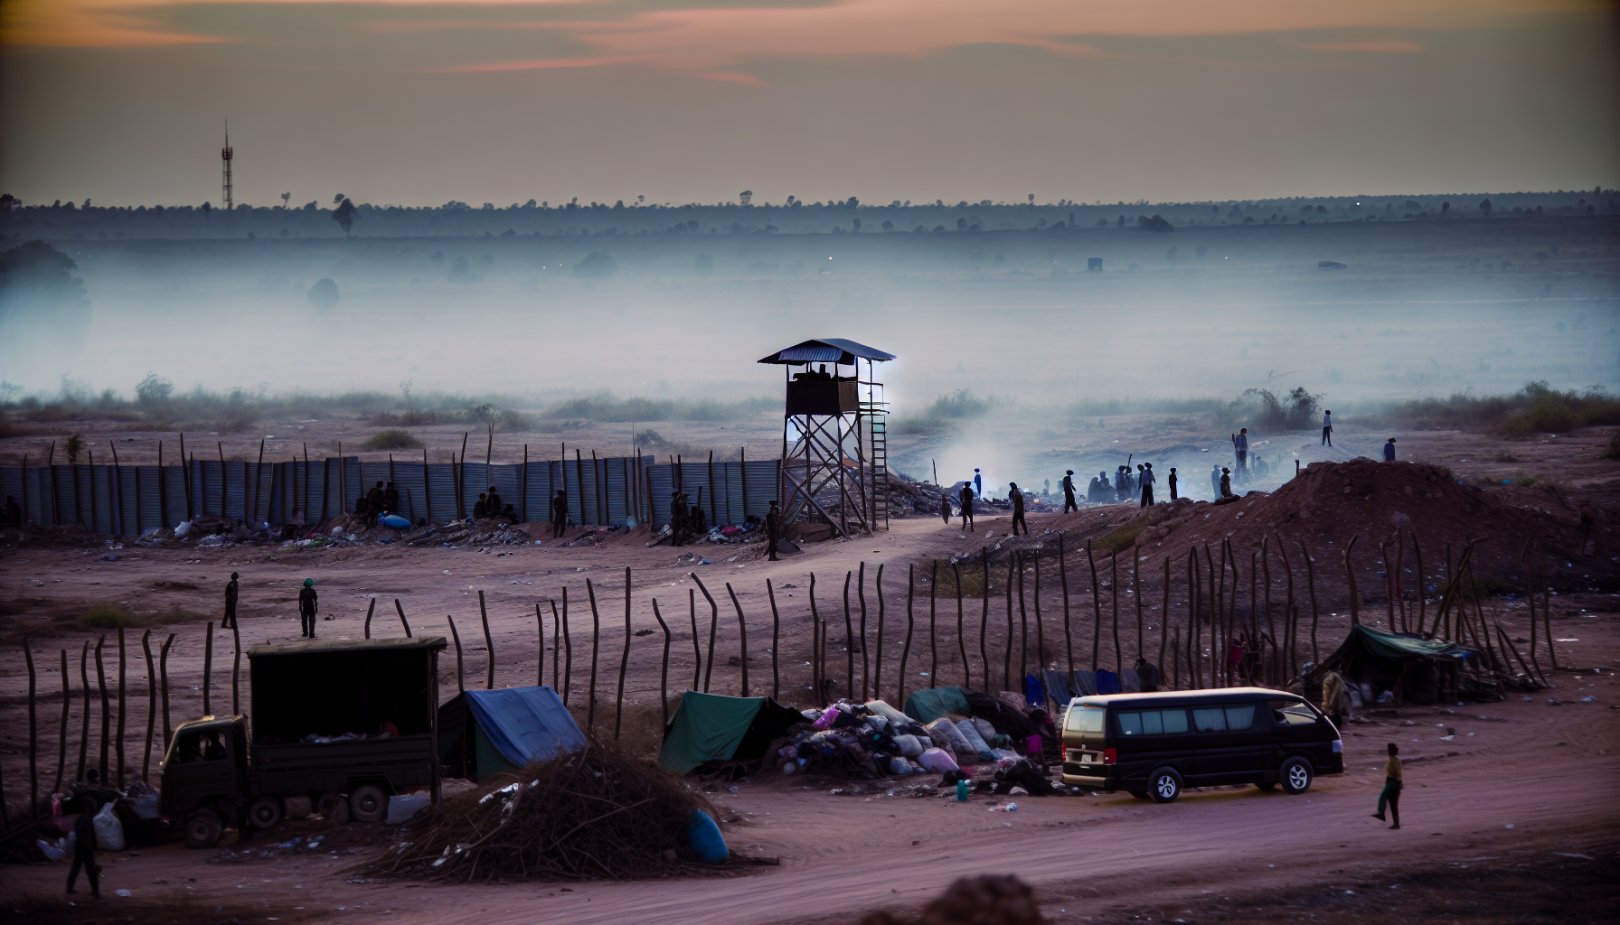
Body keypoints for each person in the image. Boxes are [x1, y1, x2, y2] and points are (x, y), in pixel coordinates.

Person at [66, 794, 102, 897]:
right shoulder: (86, 821)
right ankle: (95, 891)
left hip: (79, 847)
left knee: (76, 868)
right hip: (84, 848)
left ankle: (70, 887)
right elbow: (85, 838)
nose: (95, 810)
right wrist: (91, 850)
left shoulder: (81, 819)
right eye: (94, 808)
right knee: (91, 871)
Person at [1372, 742, 1403, 829]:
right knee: (1392, 804)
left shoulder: (1392, 760)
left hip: (1392, 782)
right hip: (1395, 783)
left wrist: (1395, 779)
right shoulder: (1396, 760)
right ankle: (1395, 823)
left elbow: (1396, 772)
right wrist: (1400, 783)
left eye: (1388, 750)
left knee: (1384, 797)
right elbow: (1400, 773)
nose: (1387, 752)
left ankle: (1382, 814)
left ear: (1390, 751)